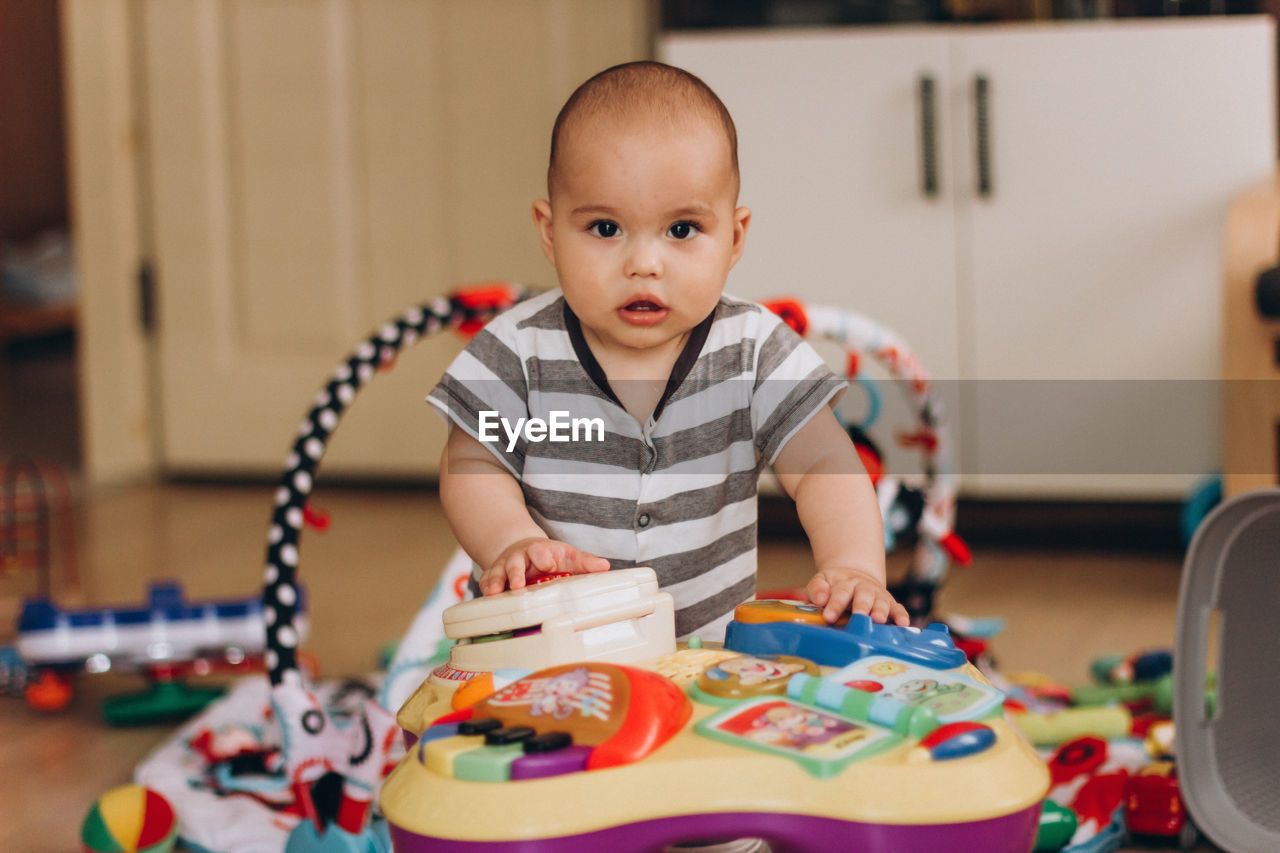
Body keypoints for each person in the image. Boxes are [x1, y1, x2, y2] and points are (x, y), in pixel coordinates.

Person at [428, 60, 907, 643]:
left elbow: (826, 465)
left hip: (704, 661)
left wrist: (854, 564)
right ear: (550, 233)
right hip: (544, 655)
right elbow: (473, 464)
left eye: (681, 230)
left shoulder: (754, 353)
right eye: (606, 229)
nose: (644, 265)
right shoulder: (517, 353)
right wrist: (512, 542)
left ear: (733, 237)